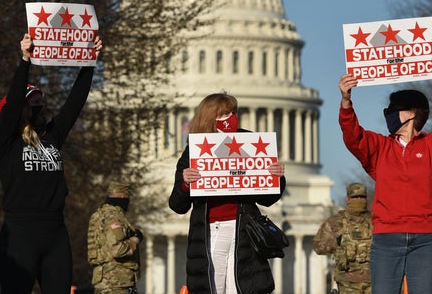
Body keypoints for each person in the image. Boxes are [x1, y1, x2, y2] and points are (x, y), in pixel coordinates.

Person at [338, 54, 432, 294]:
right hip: (387, 238)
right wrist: (346, 100)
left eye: (394, 110)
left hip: (427, 239)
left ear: (411, 113)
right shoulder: (380, 147)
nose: (389, 114)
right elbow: (353, 137)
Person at [0, 32, 102, 294]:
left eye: (41, 102)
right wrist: (25, 60)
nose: (40, 107)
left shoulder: (52, 136)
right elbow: (16, 98)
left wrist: (89, 62)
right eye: (34, 104)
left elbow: (75, 103)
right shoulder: (6, 141)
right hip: (19, 235)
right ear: (20, 110)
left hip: (55, 233)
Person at [168, 92, 287, 294]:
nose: (230, 117)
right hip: (211, 230)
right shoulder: (194, 151)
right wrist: (186, 184)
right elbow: (177, 205)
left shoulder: (249, 142)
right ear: (209, 117)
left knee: (241, 288)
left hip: (244, 230)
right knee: (214, 287)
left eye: (233, 112)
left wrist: (276, 177)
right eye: (224, 113)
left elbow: (268, 198)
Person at [313, 182, 372, 294]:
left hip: (374, 281)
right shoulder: (335, 222)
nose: (359, 200)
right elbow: (318, 247)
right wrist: (336, 242)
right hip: (347, 283)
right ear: (348, 199)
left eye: (362, 197)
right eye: (355, 197)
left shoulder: (375, 222)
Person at [87, 181, 142, 294]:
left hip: (104, 281)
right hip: (116, 282)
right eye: (127, 197)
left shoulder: (98, 215)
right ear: (123, 195)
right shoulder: (113, 217)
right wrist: (135, 240)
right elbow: (117, 250)